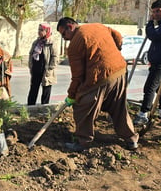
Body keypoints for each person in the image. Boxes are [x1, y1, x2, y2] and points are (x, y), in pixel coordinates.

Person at [56, 17, 139, 151]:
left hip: (100, 76)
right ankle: (131, 139)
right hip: (120, 71)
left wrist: (72, 95)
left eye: (63, 34)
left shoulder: (74, 45)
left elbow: (77, 76)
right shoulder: (98, 26)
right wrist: (115, 49)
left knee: (82, 106)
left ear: (70, 27)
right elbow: (117, 36)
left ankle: (82, 142)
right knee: (119, 107)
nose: (64, 38)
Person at [133, 0, 161, 125]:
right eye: (153, 12)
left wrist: (149, 23)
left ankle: (143, 114)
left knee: (149, 87)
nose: (155, 14)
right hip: (159, 60)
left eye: (158, 11)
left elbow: (153, 35)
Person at [27, 23, 58, 105]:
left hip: (46, 71)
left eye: (41, 30)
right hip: (36, 70)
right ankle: (30, 107)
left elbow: (55, 57)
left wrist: (49, 69)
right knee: (33, 89)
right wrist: (31, 66)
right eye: (38, 30)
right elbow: (31, 54)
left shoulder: (51, 43)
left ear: (47, 31)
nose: (39, 32)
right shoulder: (36, 42)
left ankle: (44, 109)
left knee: (46, 90)